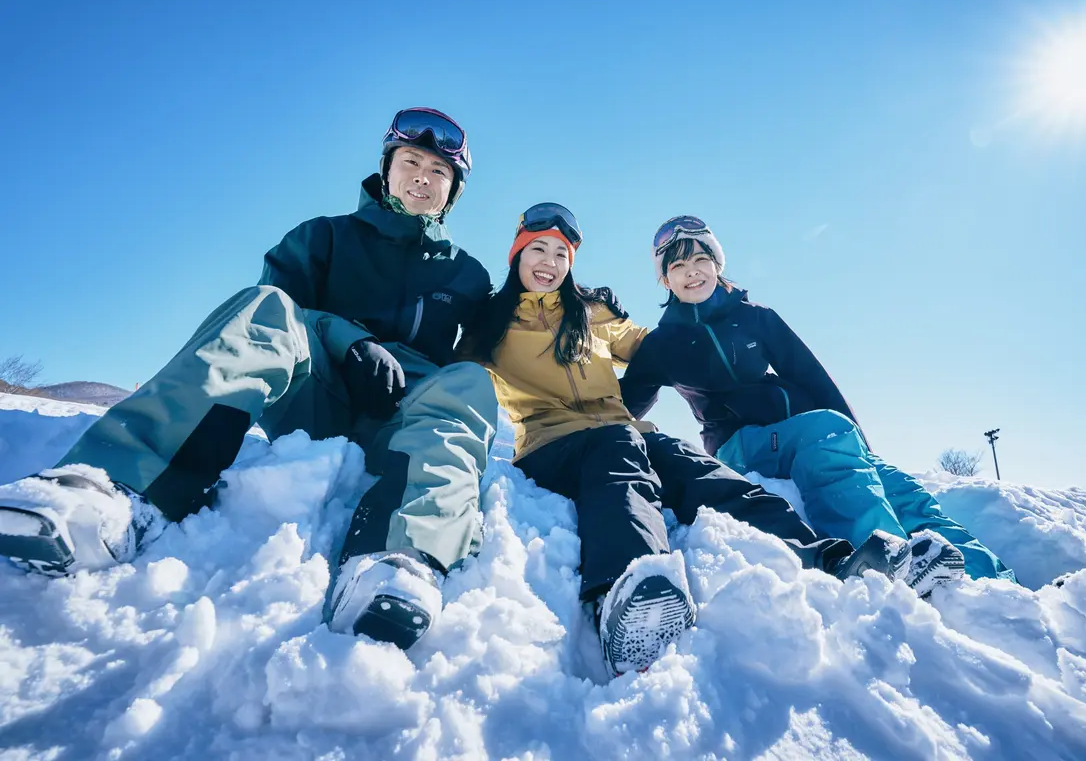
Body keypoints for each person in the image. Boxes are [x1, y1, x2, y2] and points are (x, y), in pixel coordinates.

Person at [0, 108, 499, 651]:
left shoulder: (468, 276)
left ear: (453, 191)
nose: (423, 176)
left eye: (439, 171)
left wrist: (576, 309)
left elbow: (510, 340)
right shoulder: (322, 239)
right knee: (262, 308)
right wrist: (347, 340)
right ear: (387, 169)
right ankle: (118, 491)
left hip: (402, 421)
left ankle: (399, 561)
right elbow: (279, 316)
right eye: (410, 161)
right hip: (318, 395)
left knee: (471, 381)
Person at [463, 203, 916, 678]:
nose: (550, 262)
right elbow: (453, 373)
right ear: (517, 253)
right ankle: (627, 585)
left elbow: (652, 346)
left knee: (703, 473)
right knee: (618, 454)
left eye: (561, 253)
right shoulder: (491, 323)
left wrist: (696, 330)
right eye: (538, 249)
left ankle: (826, 556)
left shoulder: (587, 314)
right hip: (551, 444)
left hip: (623, 434)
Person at [621, 216, 1017, 593]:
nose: (692, 271)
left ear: (717, 263)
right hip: (741, 443)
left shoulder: (756, 318)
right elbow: (621, 406)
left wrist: (858, 442)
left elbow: (813, 377)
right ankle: (894, 563)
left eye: (701, 258)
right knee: (822, 432)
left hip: (816, 431)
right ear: (665, 279)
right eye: (679, 265)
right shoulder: (661, 344)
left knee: (907, 493)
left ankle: (999, 586)